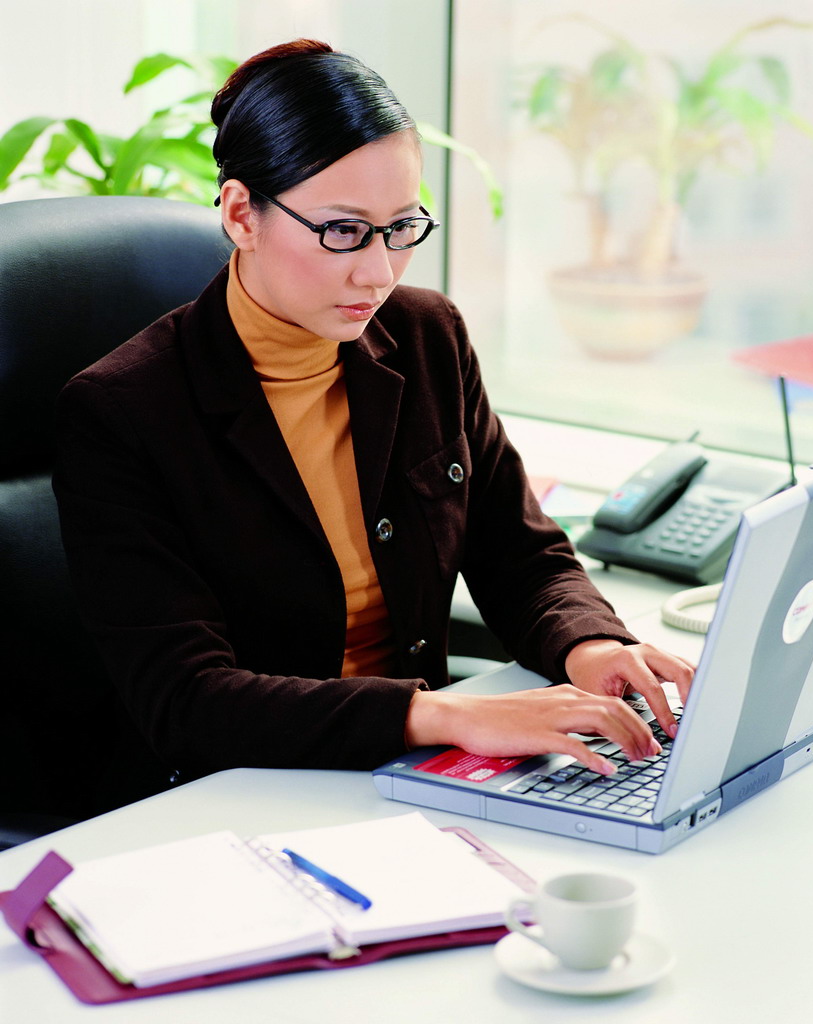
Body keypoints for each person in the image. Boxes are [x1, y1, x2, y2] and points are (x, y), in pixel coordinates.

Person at [52, 39, 693, 785]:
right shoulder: (121, 413)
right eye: (343, 231)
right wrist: (444, 715)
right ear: (240, 215)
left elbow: (520, 553)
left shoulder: (426, 337)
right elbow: (187, 701)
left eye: (401, 228)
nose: (378, 271)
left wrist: (591, 645)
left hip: (418, 773)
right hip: (247, 792)